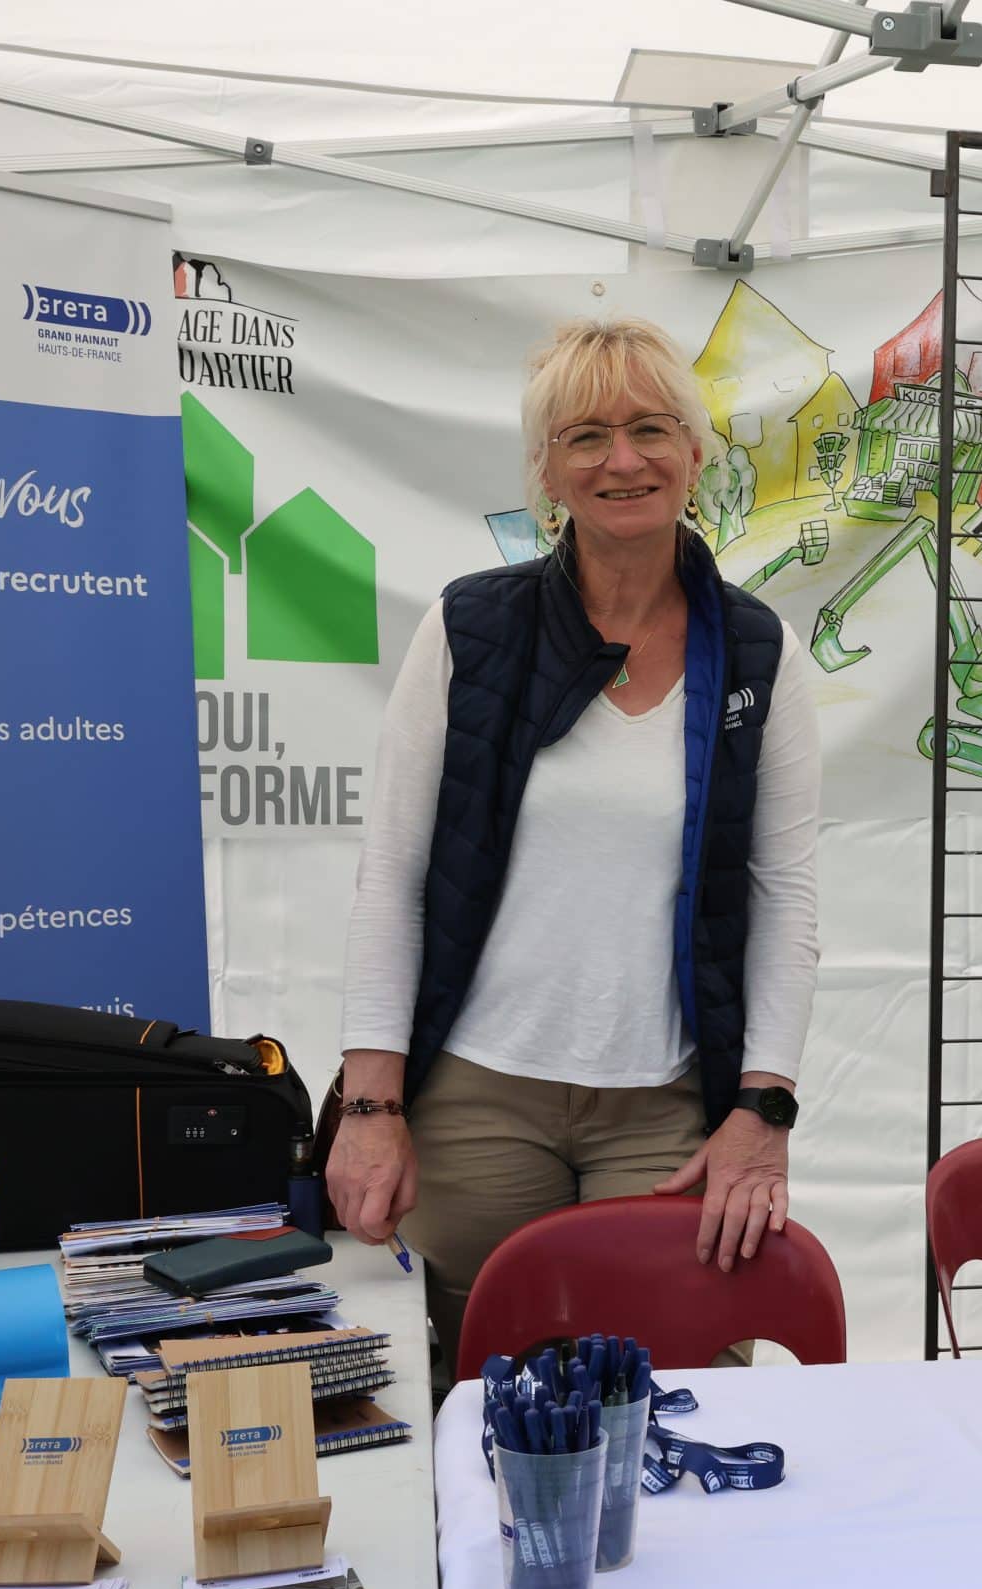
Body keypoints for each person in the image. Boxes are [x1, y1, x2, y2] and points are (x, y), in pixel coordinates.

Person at [331, 316, 824, 1387]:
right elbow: (392, 877)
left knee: (682, 1394)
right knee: (482, 1405)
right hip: (478, 1103)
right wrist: (370, 1109)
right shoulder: (471, 629)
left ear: (695, 452)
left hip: (667, 1107)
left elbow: (784, 897)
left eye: (651, 428)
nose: (622, 459)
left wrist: (763, 1112)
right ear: (546, 471)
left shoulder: (757, 652)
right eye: (586, 435)